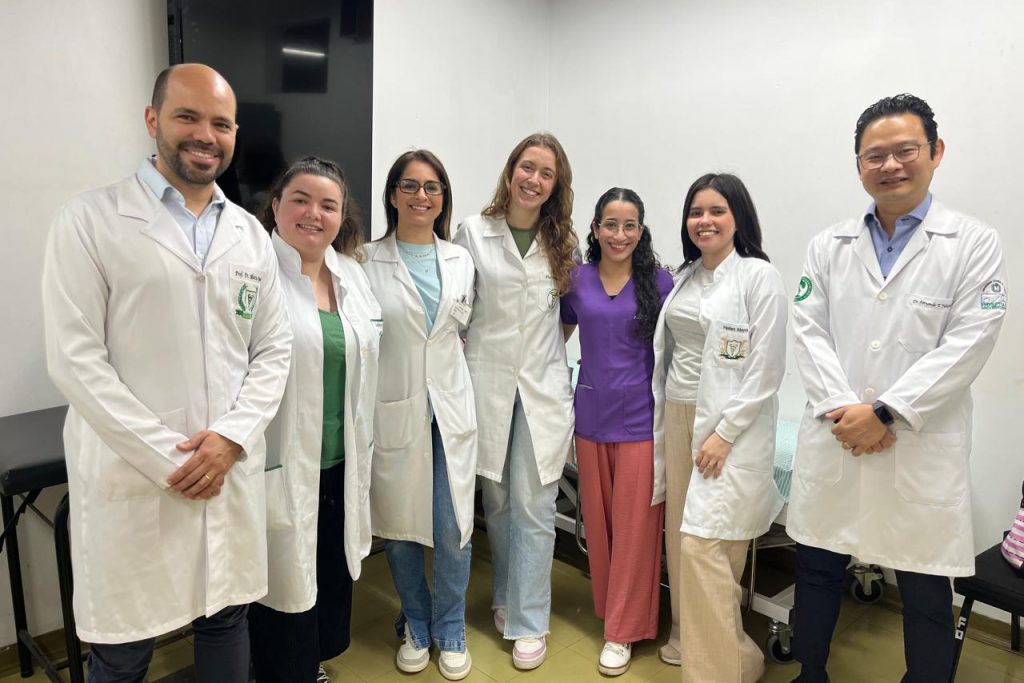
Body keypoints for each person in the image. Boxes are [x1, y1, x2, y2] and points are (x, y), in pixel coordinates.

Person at [41, 64, 292, 683]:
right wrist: (171, 460)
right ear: (153, 120)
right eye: (187, 116)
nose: (205, 134)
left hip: (227, 469)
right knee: (123, 651)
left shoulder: (249, 234)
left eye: (221, 124)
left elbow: (273, 348)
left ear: (234, 135)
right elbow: (75, 360)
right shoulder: (89, 220)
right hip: (137, 478)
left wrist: (231, 438)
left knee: (226, 620)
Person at [787, 93, 1007, 683]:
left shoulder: (973, 243)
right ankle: (810, 673)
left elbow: (970, 341)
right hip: (837, 435)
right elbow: (808, 332)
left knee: (926, 589)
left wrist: (885, 413)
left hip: (917, 443)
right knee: (816, 572)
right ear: (858, 164)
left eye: (905, 150)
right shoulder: (828, 245)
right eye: (874, 155)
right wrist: (848, 412)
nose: (890, 165)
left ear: (935, 152)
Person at [248, 157, 380, 683]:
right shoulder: (255, 271)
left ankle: (311, 666)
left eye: (328, 205)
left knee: (324, 570)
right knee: (280, 580)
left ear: (341, 216)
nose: (313, 213)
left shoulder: (352, 275)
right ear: (276, 205)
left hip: (340, 459)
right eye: (300, 199)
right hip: (276, 462)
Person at [651, 173, 787, 683]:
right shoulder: (686, 276)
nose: (704, 221)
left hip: (726, 427)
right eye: (695, 212)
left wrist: (725, 433)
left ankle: (724, 669)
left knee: (708, 549)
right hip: (677, 412)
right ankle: (687, 638)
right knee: (679, 538)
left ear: (738, 218)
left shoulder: (758, 277)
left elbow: (767, 369)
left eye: (716, 211)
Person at [453, 132, 577, 670]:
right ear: (510, 172)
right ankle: (505, 594)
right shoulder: (473, 233)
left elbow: (565, 319)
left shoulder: (563, 243)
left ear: (556, 185)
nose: (534, 180)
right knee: (498, 501)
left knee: (536, 505)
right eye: (527, 167)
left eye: (547, 173)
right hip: (487, 385)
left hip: (542, 391)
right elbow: (459, 310)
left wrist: (538, 358)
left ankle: (530, 620)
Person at [362, 150, 477, 681]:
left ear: (443, 197)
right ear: (392, 194)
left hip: (450, 408)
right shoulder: (364, 261)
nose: (421, 196)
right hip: (395, 405)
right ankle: (416, 622)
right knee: (401, 526)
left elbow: (462, 329)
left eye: (432, 187)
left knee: (453, 526)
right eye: (409, 185)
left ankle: (451, 628)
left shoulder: (459, 260)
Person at [560, 188, 673, 675]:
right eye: (610, 224)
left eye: (629, 226)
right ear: (595, 228)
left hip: (640, 422)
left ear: (641, 231)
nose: (619, 234)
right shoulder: (576, 280)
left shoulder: (661, 283)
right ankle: (612, 610)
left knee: (635, 528)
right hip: (590, 416)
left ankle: (623, 630)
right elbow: (556, 335)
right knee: (600, 526)